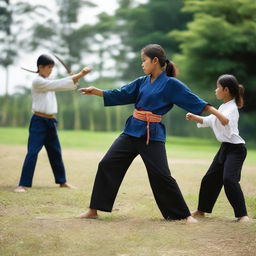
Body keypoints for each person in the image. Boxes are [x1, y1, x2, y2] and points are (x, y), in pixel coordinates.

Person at [78, 44, 228, 222]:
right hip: (131, 130)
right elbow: (122, 93)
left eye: (144, 61)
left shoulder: (171, 84)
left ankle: (184, 215)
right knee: (107, 164)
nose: (142, 64)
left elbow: (193, 100)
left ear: (155, 61)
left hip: (152, 134)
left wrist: (219, 114)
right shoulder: (142, 81)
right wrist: (98, 92)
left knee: (161, 175)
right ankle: (93, 210)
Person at [14, 54, 91, 193]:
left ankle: (62, 181)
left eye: (52, 67)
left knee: (55, 152)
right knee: (33, 152)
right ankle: (23, 184)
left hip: (51, 121)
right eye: (48, 67)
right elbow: (58, 84)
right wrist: (80, 74)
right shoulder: (37, 82)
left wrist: (75, 79)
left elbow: (65, 86)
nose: (50, 70)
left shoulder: (48, 80)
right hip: (38, 121)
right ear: (40, 67)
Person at [186, 74, 250, 222]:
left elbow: (224, 120)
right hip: (225, 149)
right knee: (209, 179)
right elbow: (212, 120)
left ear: (226, 90)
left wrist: (210, 108)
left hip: (236, 150)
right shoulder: (223, 106)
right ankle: (201, 210)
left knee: (229, 179)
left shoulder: (232, 108)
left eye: (218, 87)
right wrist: (195, 117)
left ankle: (243, 215)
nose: (216, 90)